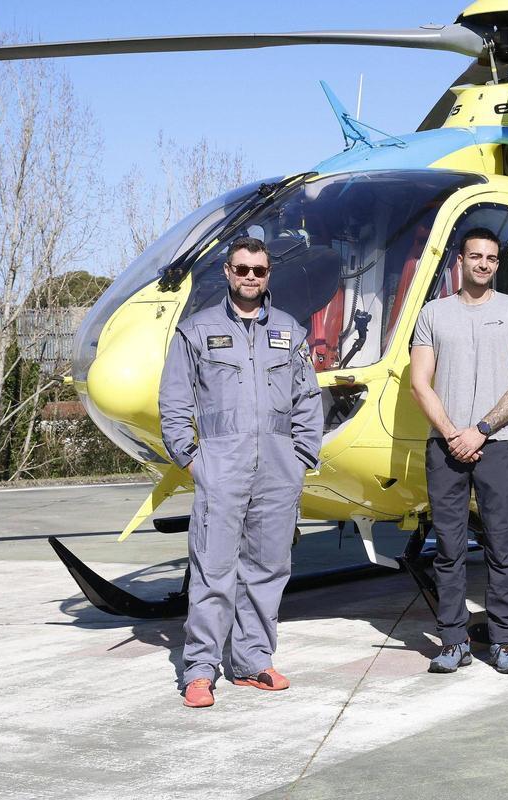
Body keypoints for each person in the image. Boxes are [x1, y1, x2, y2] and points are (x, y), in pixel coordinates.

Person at [159, 236, 323, 708]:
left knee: (268, 568)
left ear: (268, 276)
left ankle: (253, 661)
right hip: (221, 466)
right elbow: (174, 402)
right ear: (227, 273)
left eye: (260, 270)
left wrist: (302, 456)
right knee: (213, 569)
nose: (251, 277)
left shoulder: (290, 332)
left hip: (278, 468)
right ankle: (200, 668)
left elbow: (308, 399)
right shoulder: (195, 331)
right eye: (242, 269)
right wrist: (192, 459)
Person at [409, 227, 508, 674]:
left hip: (497, 443)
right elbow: (419, 383)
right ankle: (453, 640)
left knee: (501, 547)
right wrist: (451, 433)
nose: (483, 264)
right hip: (445, 446)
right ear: (459, 261)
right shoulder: (433, 314)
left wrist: (479, 430)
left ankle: (503, 642)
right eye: (475, 256)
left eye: (491, 258)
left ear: (497, 265)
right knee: (448, 548)